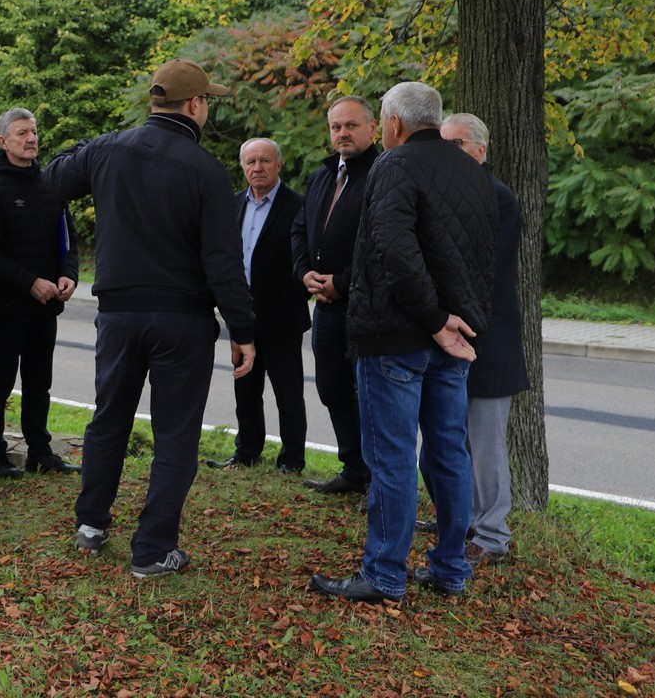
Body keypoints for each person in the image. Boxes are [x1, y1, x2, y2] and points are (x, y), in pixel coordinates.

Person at [46, 59, 257, 579]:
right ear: (195, 105)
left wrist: (93, 149)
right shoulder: (206, 170)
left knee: (109, 417)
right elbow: (223, 261)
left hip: (119, 314)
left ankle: (91, 523)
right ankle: (152, 549)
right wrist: (243, 328)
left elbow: (52, 178)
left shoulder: (108, 149)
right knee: (176, 433)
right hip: (181, 318)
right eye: (207, 101)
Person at [311, 82, 497, 603]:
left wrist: (436, 320)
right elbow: (480, 260)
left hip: (398, 335)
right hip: (453, 337)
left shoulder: (393, 165)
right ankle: (451, 568)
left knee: (392, 459)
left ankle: (384, 574)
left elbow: (393, 250)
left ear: (392, 123)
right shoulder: (473, 170)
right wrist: (458, 321)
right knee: (448, 454)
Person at [0, 108, 81, 478]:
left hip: (46, 308)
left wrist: (68, 274)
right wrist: (30, 282)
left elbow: (69, 240)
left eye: (33, 132)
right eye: (21, 133)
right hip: (7, 308)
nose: (31, 139)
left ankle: (40, 452)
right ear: (3, 142)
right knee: (0, 382)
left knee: (39, 383)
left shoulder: (51, 184)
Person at [441, 112, 528, 566]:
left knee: (486, 442)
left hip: (489, 339)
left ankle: (493, 536)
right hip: (453, 335)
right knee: (456, 440)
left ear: (481, 151)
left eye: (457, 144)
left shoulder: (498, 198)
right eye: (443, 144)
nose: (449, 153)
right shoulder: (443, 194)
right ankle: (468, 520)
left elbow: (481, 271)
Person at [291, 95, 380, 495]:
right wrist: (304, 273)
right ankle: (354, 470)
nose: (343, 133)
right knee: (331, 388)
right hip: (325, 307)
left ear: (373, 128)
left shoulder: (382, 174)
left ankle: (379, 480)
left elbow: (381, 244)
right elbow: (299, 230)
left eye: (351, 125)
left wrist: (342, 282)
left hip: (366, 307)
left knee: (370, 395)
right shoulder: (322, 176)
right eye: (336, 126)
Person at [208, 138, 311, 473]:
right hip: (243, 316)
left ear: (279, 164)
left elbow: (307, 258)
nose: (258, 168)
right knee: (246, 388)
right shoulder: (232, 204)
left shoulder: (299, 205)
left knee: (288, 392)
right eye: (250, 162)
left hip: (282, 317)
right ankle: (246, 453)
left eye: (265, 161)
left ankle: (292, 460)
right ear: (242, 167)